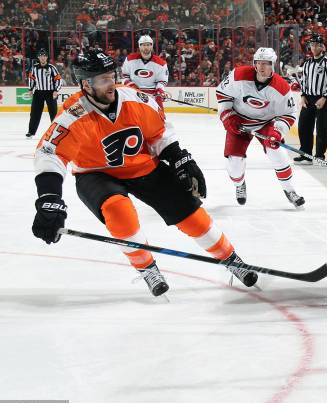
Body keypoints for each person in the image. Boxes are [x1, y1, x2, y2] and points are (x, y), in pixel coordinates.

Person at [31, 50, 257, 296]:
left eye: (112, 76)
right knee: (118, 210)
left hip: (143, 166)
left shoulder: (136, 99)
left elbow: (159, 134)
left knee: (191, 213)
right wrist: (49, 198)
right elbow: (50, 153)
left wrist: (179, 158)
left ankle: (231, 259)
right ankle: (147, 267)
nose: (112, 83)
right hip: (96, 174)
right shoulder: (73, 115)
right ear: (86, 84)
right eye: (104, 79)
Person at [215, 47, 304, 208]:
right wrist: (228, 116)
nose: (262, 67)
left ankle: (290, 190)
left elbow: (289, 114)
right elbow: (222, 94)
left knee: (278, 152)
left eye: (267, 63)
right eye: (259, 63)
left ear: (273, 65)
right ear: (254, 64)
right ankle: (239, 185)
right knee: (234, 164)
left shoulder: (282, 87)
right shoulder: (238, 75)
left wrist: (278, 131)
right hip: (240, 122)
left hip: (266, 123)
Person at [296, 33, 327, 164]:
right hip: (308, 98)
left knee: (321, 128)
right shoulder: (308, 63)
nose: (313, 47)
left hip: (323, 99)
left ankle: (320, 155)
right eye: (312, 45)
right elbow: (304, 81)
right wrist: (303, 95)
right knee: (303, 126)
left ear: (322, 47)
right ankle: (306, 153)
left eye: (316, 45)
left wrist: (324, 97)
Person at [121, 34, 170, 109]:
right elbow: (124, 76)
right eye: (143, 45)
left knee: (157, 119)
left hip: (152, 97)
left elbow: (162, 81)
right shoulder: (130, 59)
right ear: (139, 46)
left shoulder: (161, 63)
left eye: (148, 45)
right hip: (133, 96)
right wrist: (132, 86)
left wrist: (159, 90)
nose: (146, 47)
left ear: (152, 46)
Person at [26, 49, 62, 138]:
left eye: (44, 56)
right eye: (41, 56)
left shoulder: (52, 67)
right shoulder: (34, 68)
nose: (43, 57)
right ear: (38, 57)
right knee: (34, 113)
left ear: (47, 57)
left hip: (50, 92)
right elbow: (31, 79)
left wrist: (56, 90)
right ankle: (31, 132)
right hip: (38, 93)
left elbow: (58, 79)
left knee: (53, 113)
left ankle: (55, 132)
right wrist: (30, 89)